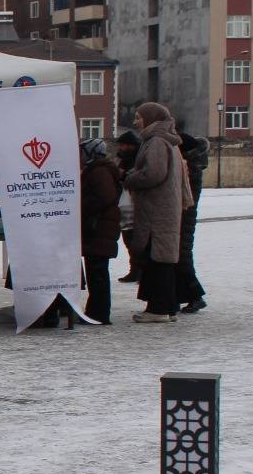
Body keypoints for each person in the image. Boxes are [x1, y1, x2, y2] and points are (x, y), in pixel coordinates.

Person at [122, 102, 192, 322]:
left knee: (157, 258)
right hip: (165, 209)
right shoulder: (166, 141)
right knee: (162, 258)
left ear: (151, 118)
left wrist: (129, 177)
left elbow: (153, 174)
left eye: (139, 117)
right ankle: (167, 306)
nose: (135, 121)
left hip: (156, 211)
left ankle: (158, 309)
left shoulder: (156, 142)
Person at [79, 136, 123, 324]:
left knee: (97, 273)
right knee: (96, 272)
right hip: (100, 227)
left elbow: (104, 197)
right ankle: (95, 311)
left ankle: (98, 313)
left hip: (98, 228)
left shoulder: (98, 171)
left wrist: (82, 206)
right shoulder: (98, 170)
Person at [176, 127, 209, 313]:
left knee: (183, 256)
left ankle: (196, 295)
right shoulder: (192, 165)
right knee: (181, 256)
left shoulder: (191, 169)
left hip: (185, 215)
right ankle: (190, 296)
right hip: (185, 214)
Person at [115, 130, 143, 283]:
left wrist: (123, 175)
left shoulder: (137, 159)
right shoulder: (123, 159)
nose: (121, 148)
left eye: (124, 145)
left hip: (133, 202)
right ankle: (135, 269)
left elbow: (134, 176)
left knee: (134, 238)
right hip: (124, 201)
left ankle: (138, 269)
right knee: (128, 237)